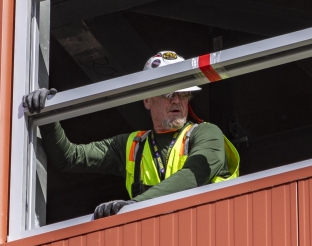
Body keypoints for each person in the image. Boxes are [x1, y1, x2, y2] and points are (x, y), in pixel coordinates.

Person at [23, 51, 240, 219]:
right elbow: (69, 158)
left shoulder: (207, 133)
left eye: (183, 93)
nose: (176, 100)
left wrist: (136, 205)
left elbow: (195, 174)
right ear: (146, 99)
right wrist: (47, 114)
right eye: (168, 93)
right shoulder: (132, 146)